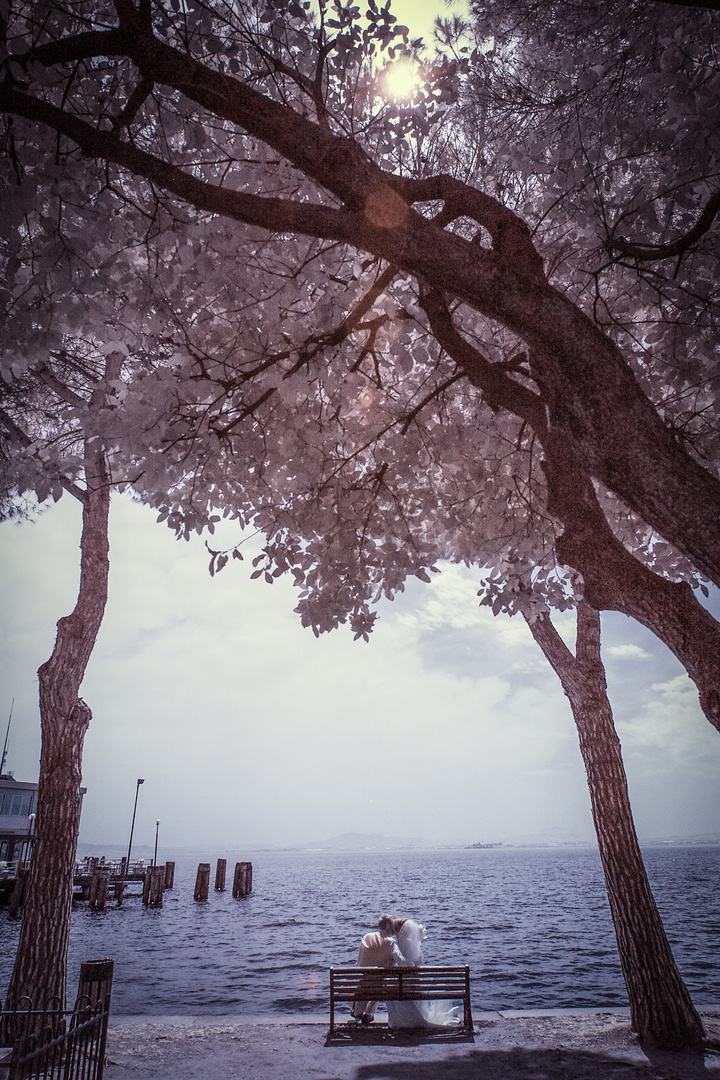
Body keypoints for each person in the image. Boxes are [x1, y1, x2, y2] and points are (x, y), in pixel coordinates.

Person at [386, 918, 459, 1029]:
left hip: (403, 987)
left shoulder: (397, 946)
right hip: (416, 985)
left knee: (390, 986)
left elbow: (404, 964)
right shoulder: (415, 946)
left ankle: (401, 1020)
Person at [352, 914, 403, 1023]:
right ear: (389, 927)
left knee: (368, 980)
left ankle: (357, 1013)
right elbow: (400, 960)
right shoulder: (390, 942)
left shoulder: (367, 937)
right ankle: (368, 1013)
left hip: (364, 981)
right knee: (381, 980)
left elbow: (359, 961)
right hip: (379, 984)